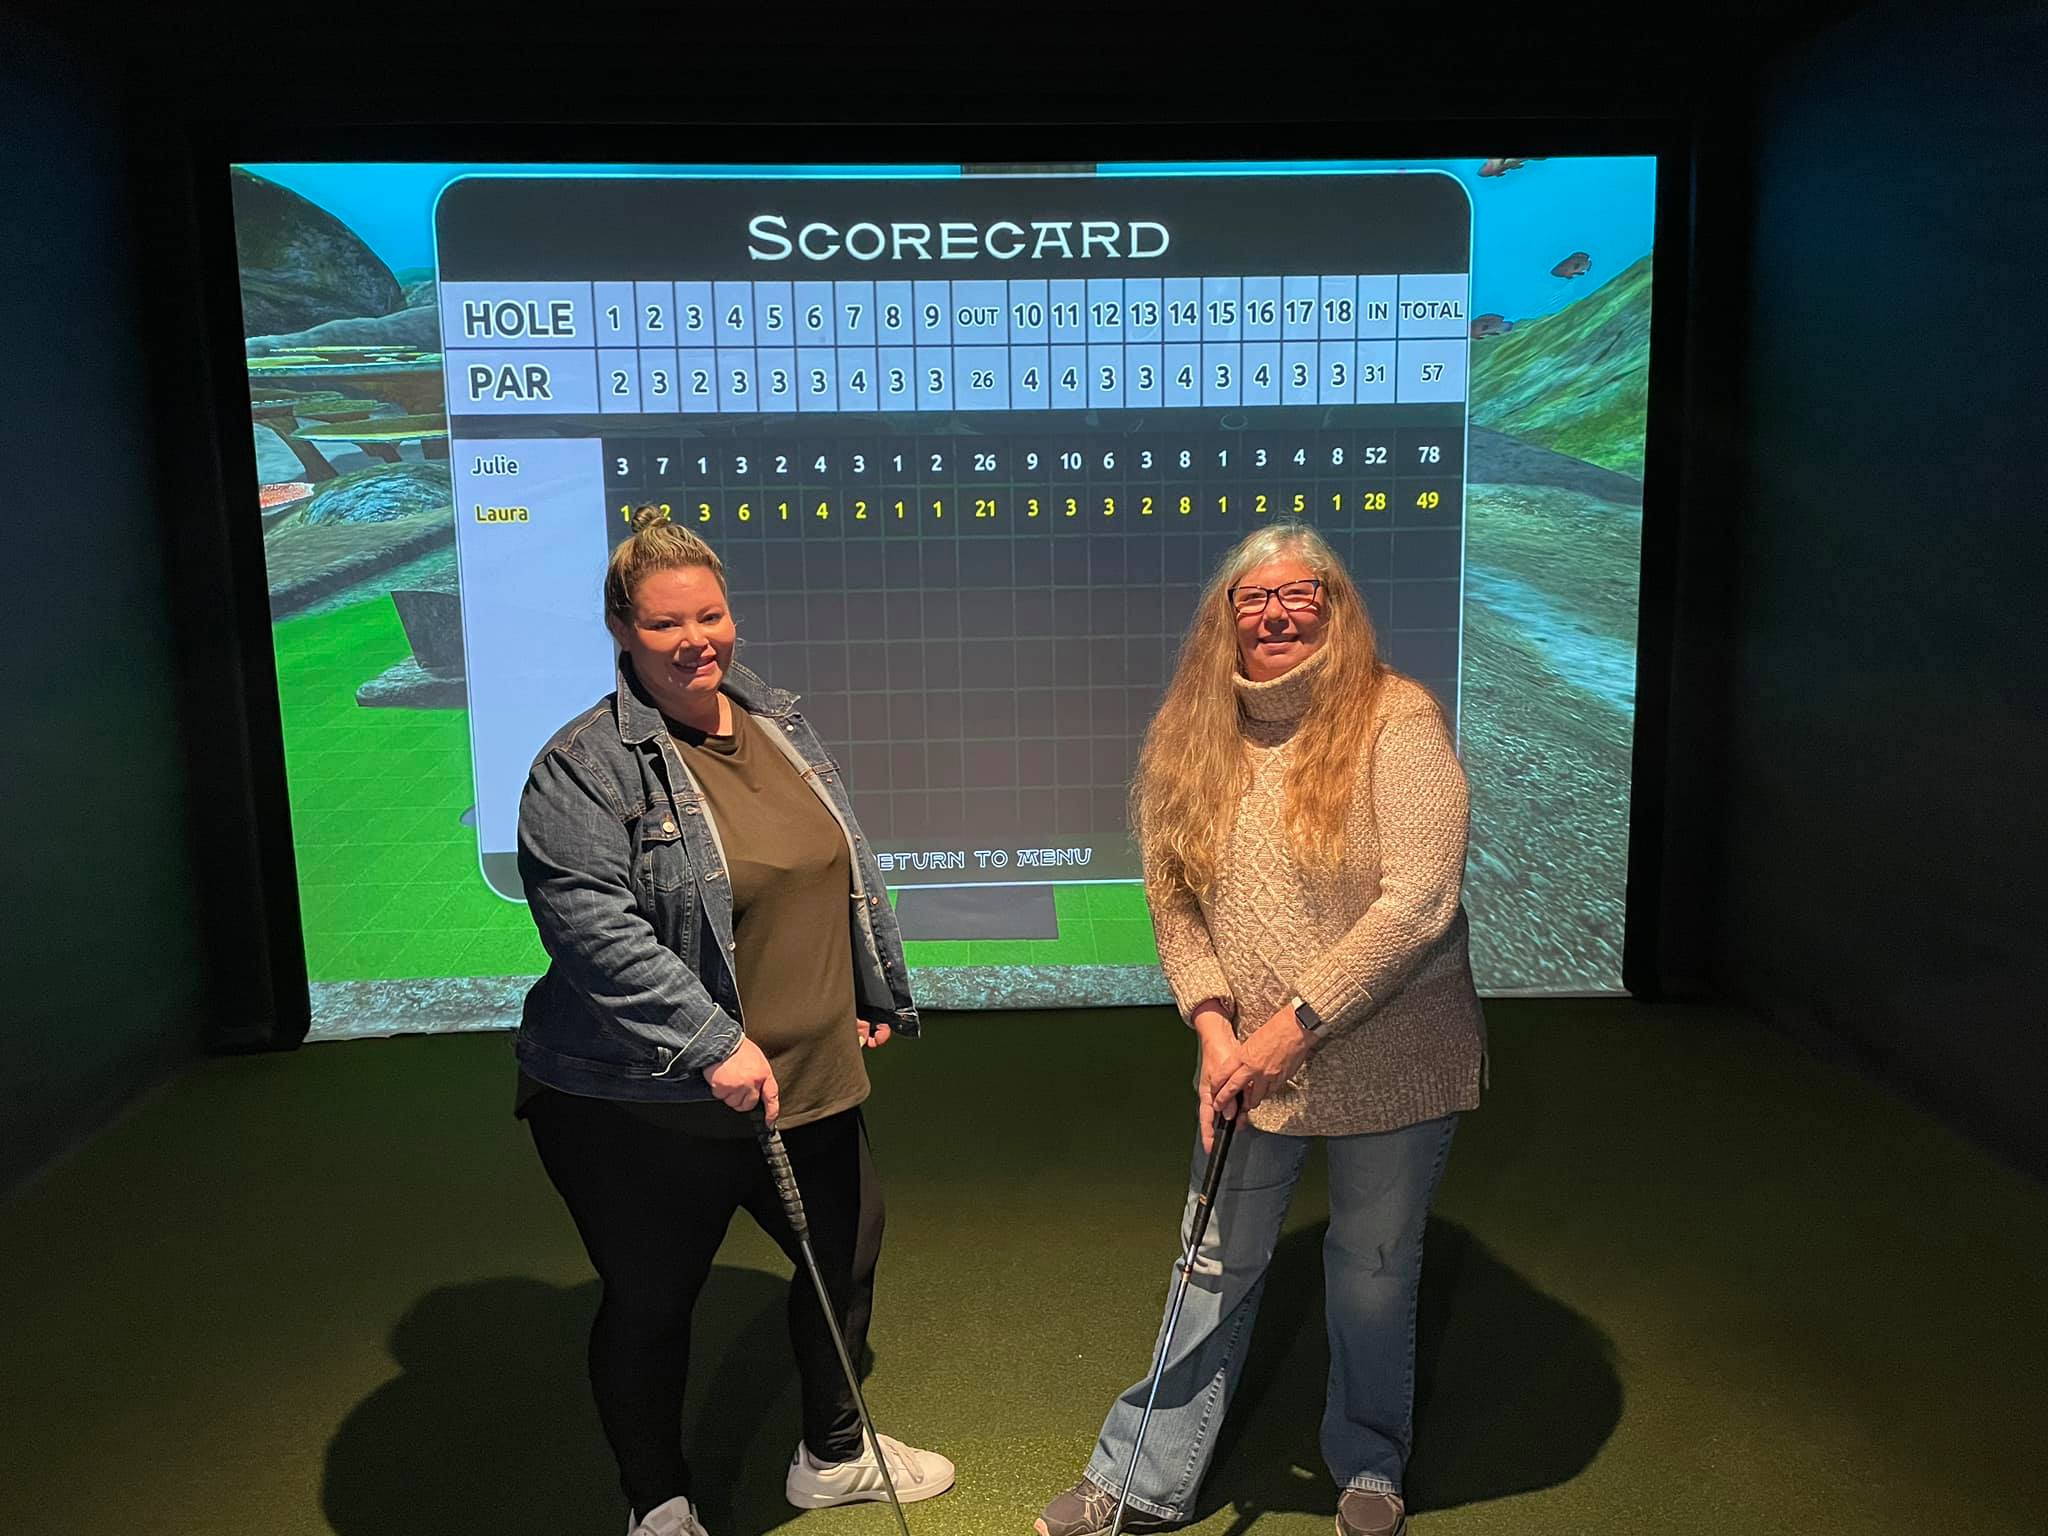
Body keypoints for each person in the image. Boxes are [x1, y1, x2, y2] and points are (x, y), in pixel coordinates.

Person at [1036, 523, 1485, 1536]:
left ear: (1333, 607)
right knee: (1209, 1264)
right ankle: (1139, 1479)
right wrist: (1210, 1024)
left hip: (1394, 1053)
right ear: (1225, 615)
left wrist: (1296, 1023)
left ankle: (1368, 1463)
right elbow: (1171, 898)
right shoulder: (1189, 728)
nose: (1275, 613)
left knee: (1372, 1274)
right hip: (1243, 1060)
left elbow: (1420, 899)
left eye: (1299, 594)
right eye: (1253, 597)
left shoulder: (1396, 716)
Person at [514, 505, 954, 1536]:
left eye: (708, 615)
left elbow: (819, 867)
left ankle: (832, 1455)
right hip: (647, 1103)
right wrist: (712, 1042)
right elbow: (591, 927)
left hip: (809, 1079)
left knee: (843, 1261)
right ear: (621, 630)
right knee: (653, 1303)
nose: (694, 640)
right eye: (664, 623)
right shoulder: (583, 766)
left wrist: (857, 986)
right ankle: (658, 1503)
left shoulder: (774, 720)